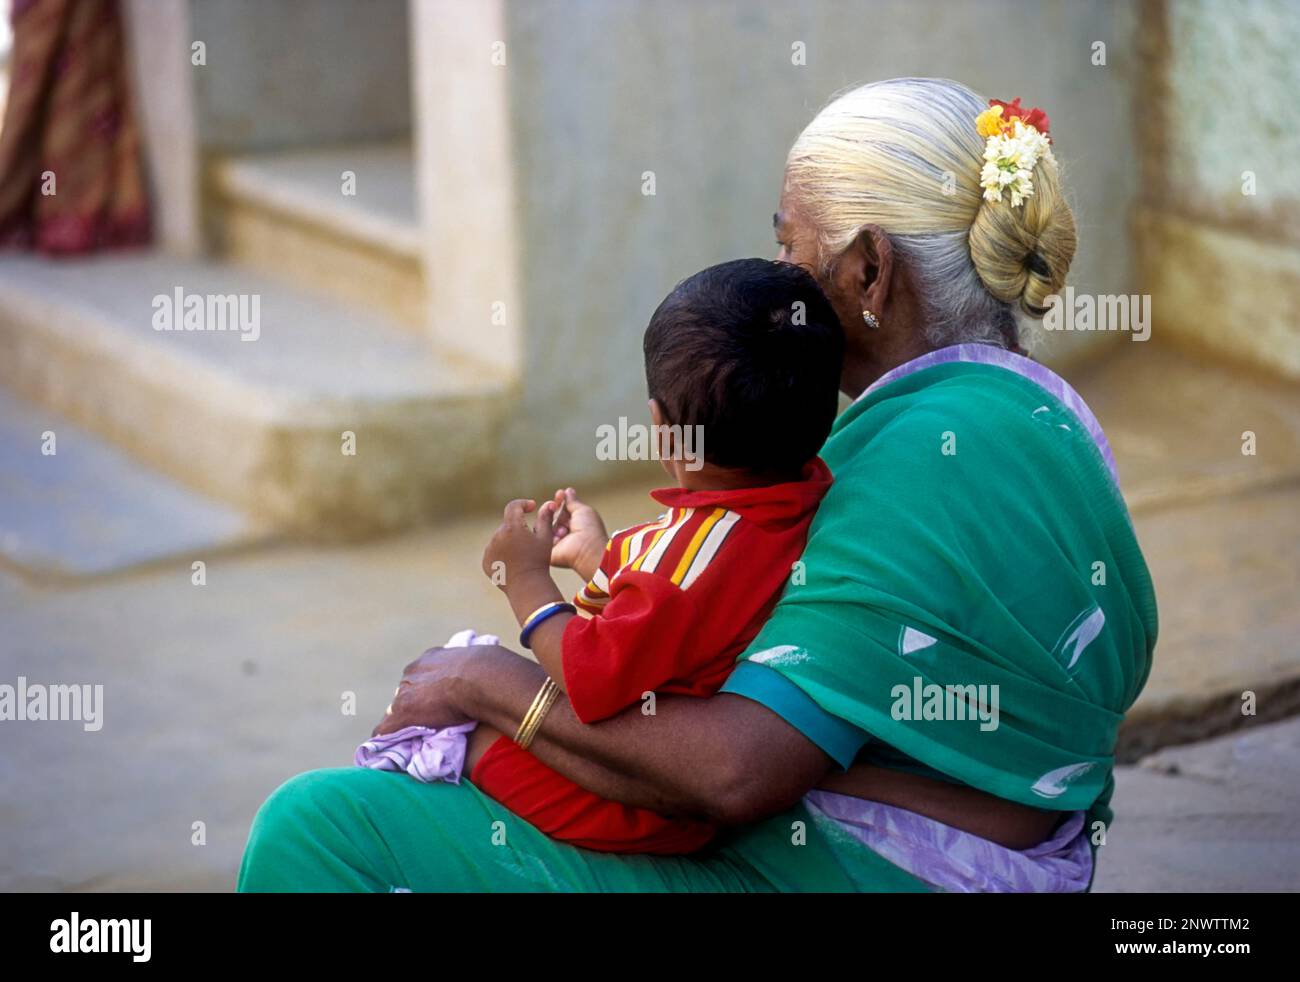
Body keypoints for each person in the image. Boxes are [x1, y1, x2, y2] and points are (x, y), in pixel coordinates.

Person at [238, 78, 1157, 893]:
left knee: (323, 827)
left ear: (869, 270)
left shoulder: (910, 464)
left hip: (850, 868)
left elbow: (733, 774)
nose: (775, 279)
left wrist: (487, 682)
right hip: (988, 853)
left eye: (789, 250)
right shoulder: (1050, 419)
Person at [468, 258, 840, 854]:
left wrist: (526, 581)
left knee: (467, 734)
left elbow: (590, 674)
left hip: (635, 799)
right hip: (673, 788)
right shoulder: (798, 499)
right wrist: (599, 557)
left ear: (662, 429)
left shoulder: (697, 547)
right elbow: (690, 604)